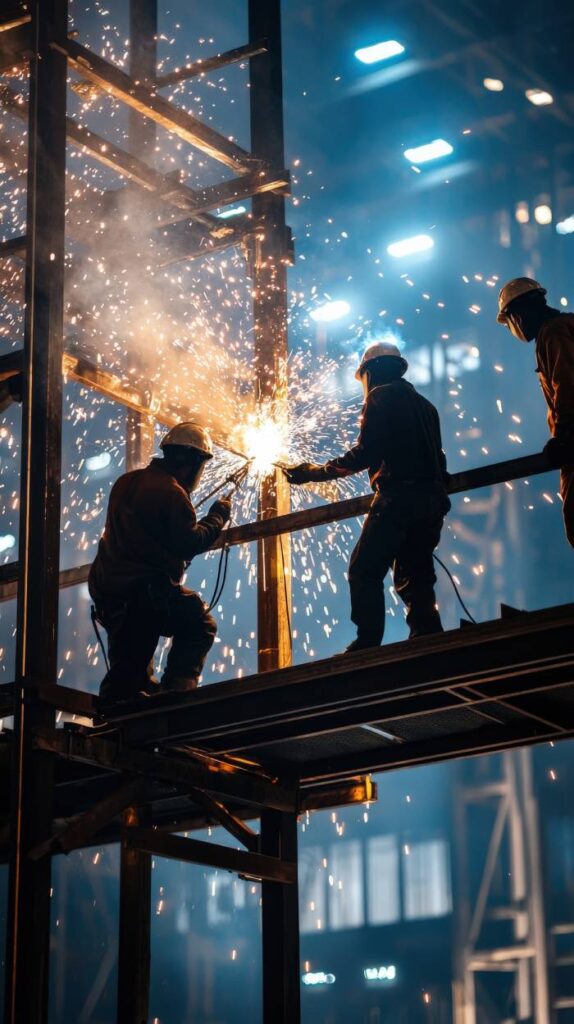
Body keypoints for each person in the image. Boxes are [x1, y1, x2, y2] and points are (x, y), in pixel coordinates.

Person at [284, 342, 451, 652]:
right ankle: (427, 634)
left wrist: (315, 472)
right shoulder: (426, 405)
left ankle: (368, 641)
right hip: (432, 500)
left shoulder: (380, 396)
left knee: (364, 569)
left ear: (370, 372)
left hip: (398, 497)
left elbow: (365, 452)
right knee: (416, 572)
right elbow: (440, 462)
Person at [89, 421, 231, 704]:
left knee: (129, 670)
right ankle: (176, 694)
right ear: (192, 462)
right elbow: (190, 542)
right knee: (199, 623)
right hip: (144, 594)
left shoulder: (127, 482)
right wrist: (217, 516)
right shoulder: (171, 493)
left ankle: (120, 713)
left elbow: (150, 534)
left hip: (108, 591)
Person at [497, 278, 574, 546]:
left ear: (517, 314)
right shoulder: (567, 323)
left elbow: (567, 382)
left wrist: (563, 435)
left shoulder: (553, 332)